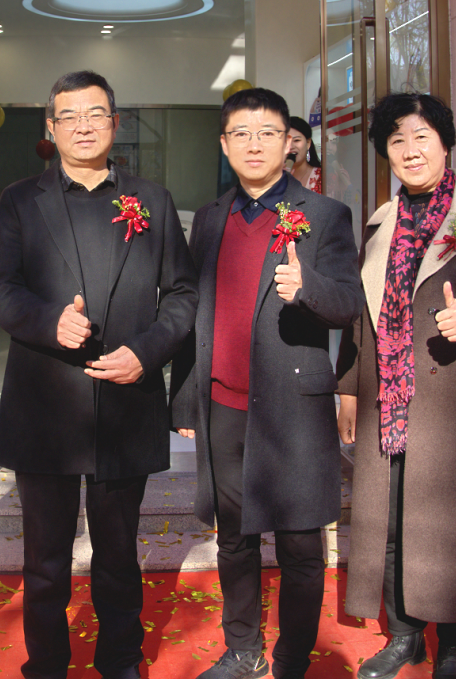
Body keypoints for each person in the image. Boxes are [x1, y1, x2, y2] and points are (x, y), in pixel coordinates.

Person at [0, 70, 198, 679]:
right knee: (45, 560)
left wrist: (147, 353)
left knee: (118, 556)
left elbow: (183, 293)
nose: (83, 126)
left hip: (124, 401)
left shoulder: (152, 200)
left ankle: (121, 661)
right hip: (45, 407)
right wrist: (47, 321)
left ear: (115, 123)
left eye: (95, 114)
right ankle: (46, 665)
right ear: (51, 127)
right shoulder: (20, 200)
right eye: (70, 116)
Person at [335, 93, 456, 679]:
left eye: (422, 136)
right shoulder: (380, 224)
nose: (410, 150)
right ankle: (404, 638)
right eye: (397, 140)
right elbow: (361, 319)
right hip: (389, 405)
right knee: (391, 519)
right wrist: (348, 388)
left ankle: (453, 647)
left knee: (454, 529)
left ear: (446, 143)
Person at [171, 88, 364, 679]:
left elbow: (349, 303)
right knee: (234, 538)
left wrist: (307, 288)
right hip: (223, 406)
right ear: (224, 143)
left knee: (301, 545)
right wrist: (185, 397)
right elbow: (194, 311)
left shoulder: (325, 215)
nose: (254, 144)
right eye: (242, 133)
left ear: (288, 143)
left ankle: (291, 660)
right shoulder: (210, 218)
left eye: (267, 133)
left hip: (294, 407)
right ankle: (243, 650)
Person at [285, 116, 323, 194]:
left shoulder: (322, 177)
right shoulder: (273, 178)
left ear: (308, 143)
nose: (291, 146)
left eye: (296, 140)